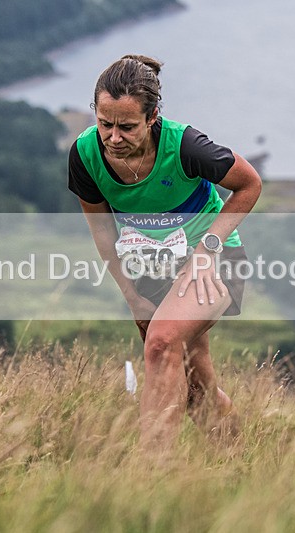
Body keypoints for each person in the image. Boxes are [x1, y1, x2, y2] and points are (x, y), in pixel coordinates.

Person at [67, 55, 262, 447]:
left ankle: (151, 475)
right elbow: (104, 235)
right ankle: (242, 461)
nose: (113, 137)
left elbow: (250, 185)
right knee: (195, 389)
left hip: (212, 261)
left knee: (159, 344)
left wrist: (208, 249)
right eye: (105, 123)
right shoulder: (85, 157)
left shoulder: (186, 146)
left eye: (127, 126)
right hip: (152, 271)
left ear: (153, 115)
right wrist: (132, 296)